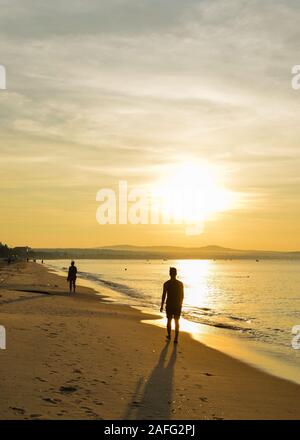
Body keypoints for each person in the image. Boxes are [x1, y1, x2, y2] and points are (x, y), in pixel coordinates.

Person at [160, 267, 184, 344]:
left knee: (169, 320)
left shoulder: (166, 284)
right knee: (177, 321)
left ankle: (169, 335)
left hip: (169, 305)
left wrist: (161, 305)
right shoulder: (180, 284)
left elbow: (164, 295)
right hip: (177, 305)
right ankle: (176, 338)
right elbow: (182, 296)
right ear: (176, 274)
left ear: (170, 274)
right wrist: (180, 304)